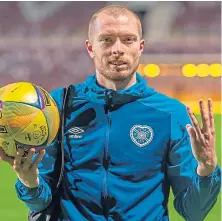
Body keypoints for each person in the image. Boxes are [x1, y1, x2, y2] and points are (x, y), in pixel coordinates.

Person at [0, 5, 220, 221]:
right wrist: (30, 182)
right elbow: (42, 202)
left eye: (128, 39)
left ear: (140, 46)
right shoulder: (57, 107)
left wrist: (206, 170)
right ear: (90, 48)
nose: (118, 49)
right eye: (106, 39)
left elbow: (193, 212)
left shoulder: (170, 114)